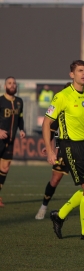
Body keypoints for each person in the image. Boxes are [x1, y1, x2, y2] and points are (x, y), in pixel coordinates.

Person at [45, 60, 84, 240]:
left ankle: (60, 215)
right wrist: (51, 151)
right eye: (80, 71)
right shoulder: (62, 96)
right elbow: (47, 122)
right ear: (72, 74)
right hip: (71, 146)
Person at [35, 83, 84, 221]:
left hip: (80, 149)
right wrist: (50, 148)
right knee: (55, 180)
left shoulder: (80, 106)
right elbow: (50, 130)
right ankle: (43, 206)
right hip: (63, 151)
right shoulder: (60, 110)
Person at [0, 76, 26, 207]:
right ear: (5, 86)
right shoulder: (0, 101)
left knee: (5, 167)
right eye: (9, 83)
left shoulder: (19, 102)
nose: (12, 85)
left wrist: (22, 129)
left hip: (10, 140)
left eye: (14, 83)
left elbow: (20, 118)